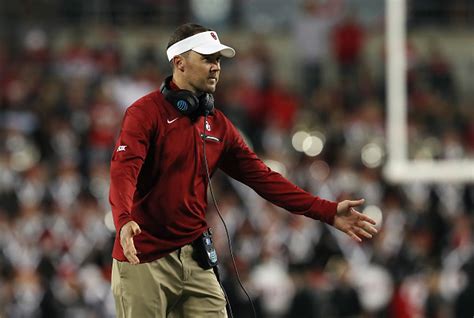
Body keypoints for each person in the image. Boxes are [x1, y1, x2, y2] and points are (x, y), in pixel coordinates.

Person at [109, 23, 378, 318]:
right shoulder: (144, 113)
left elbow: (265, 179)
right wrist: (123, 220)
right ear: (179, 63)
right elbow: (124, 170)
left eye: (218, 61)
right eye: (207, 59)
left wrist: (326, 211)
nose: (216, 68)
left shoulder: (218, 125)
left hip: (196, 257)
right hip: (143, 256)